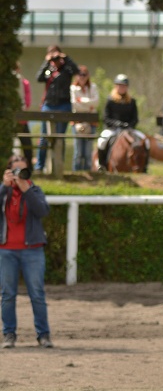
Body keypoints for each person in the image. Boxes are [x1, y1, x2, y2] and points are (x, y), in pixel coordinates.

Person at [1, 155, 53, 349]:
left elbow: (42, 211)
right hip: (6, 251)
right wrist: (4, 186)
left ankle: (43, 335)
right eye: (16, 171)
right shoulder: (4, 192)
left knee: (37, 294)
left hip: (33, 250)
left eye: (23, 170)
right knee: (7, 295)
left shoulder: (35, 190)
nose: (20, 174)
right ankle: (9, 335)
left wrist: (26, 190)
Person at [34, 45, 79, 172]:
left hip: (63, 105)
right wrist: (47, 61)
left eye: (57, 56)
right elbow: (39, 78)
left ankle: (59, 166)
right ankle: (39, 167)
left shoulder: (67, 69)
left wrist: (66, 58)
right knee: (44, 137)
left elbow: (77, 71)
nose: (55, 59)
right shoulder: (48, 69)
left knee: (60, 137)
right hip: (48, 104)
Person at [97, 74, 148, 172]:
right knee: (102, 142)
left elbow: (135, 118)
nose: (122, 88)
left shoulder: (131, 101)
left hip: (128, 129)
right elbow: (106, 118)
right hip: (113, 129)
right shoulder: (110, 100)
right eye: (120, 85)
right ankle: (102, 165)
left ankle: (144, 166)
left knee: (146, 142)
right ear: (116, 86)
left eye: (124, 86)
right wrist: (117, 124)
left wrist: (130, 125)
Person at [70, 66, 99, 172]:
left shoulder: (93, 87)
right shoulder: (73, 88)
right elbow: (74, 105)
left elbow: (96, 103)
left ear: (88, 76)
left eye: (84, 74)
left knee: (88, 151)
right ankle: (76, 172)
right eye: (79, 74)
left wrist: (81, 100)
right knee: (78, 151)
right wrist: (89, 104)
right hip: (77, 122)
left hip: (91, 122)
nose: (82, 77)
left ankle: (88, 172)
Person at [13, 62, 33, 167]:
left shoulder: (24, 83)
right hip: (9, 120)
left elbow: (27, 101)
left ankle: (29, 167)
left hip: (21, 119)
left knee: (27, 145)